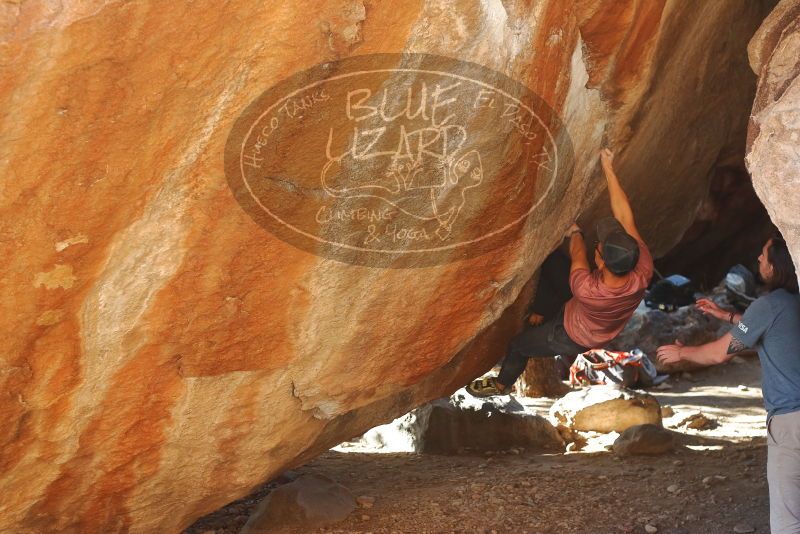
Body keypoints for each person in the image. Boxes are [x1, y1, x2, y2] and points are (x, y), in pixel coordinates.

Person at [467, 148, 654, 397]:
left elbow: (577, 251)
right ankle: (542, 309)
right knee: (551, 261)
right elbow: (623, 215)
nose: (595, 247)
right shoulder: (641, 265)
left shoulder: (587, 288)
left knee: (519, 346)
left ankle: (502, 385)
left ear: (600, 263)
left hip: (571, 335)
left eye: (598, 248)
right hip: (588, 313)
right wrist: (608, 167)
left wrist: (574, 230)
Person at [657, 236, 800, 534]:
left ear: (777, 266)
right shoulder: (789, 304)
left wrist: (681, 353)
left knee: (787, 519)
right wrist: (727, 316)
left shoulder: (768, 305)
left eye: (763, 256)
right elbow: (768, 329)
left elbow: (718, 354)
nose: (759, 260)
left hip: (790, 422)